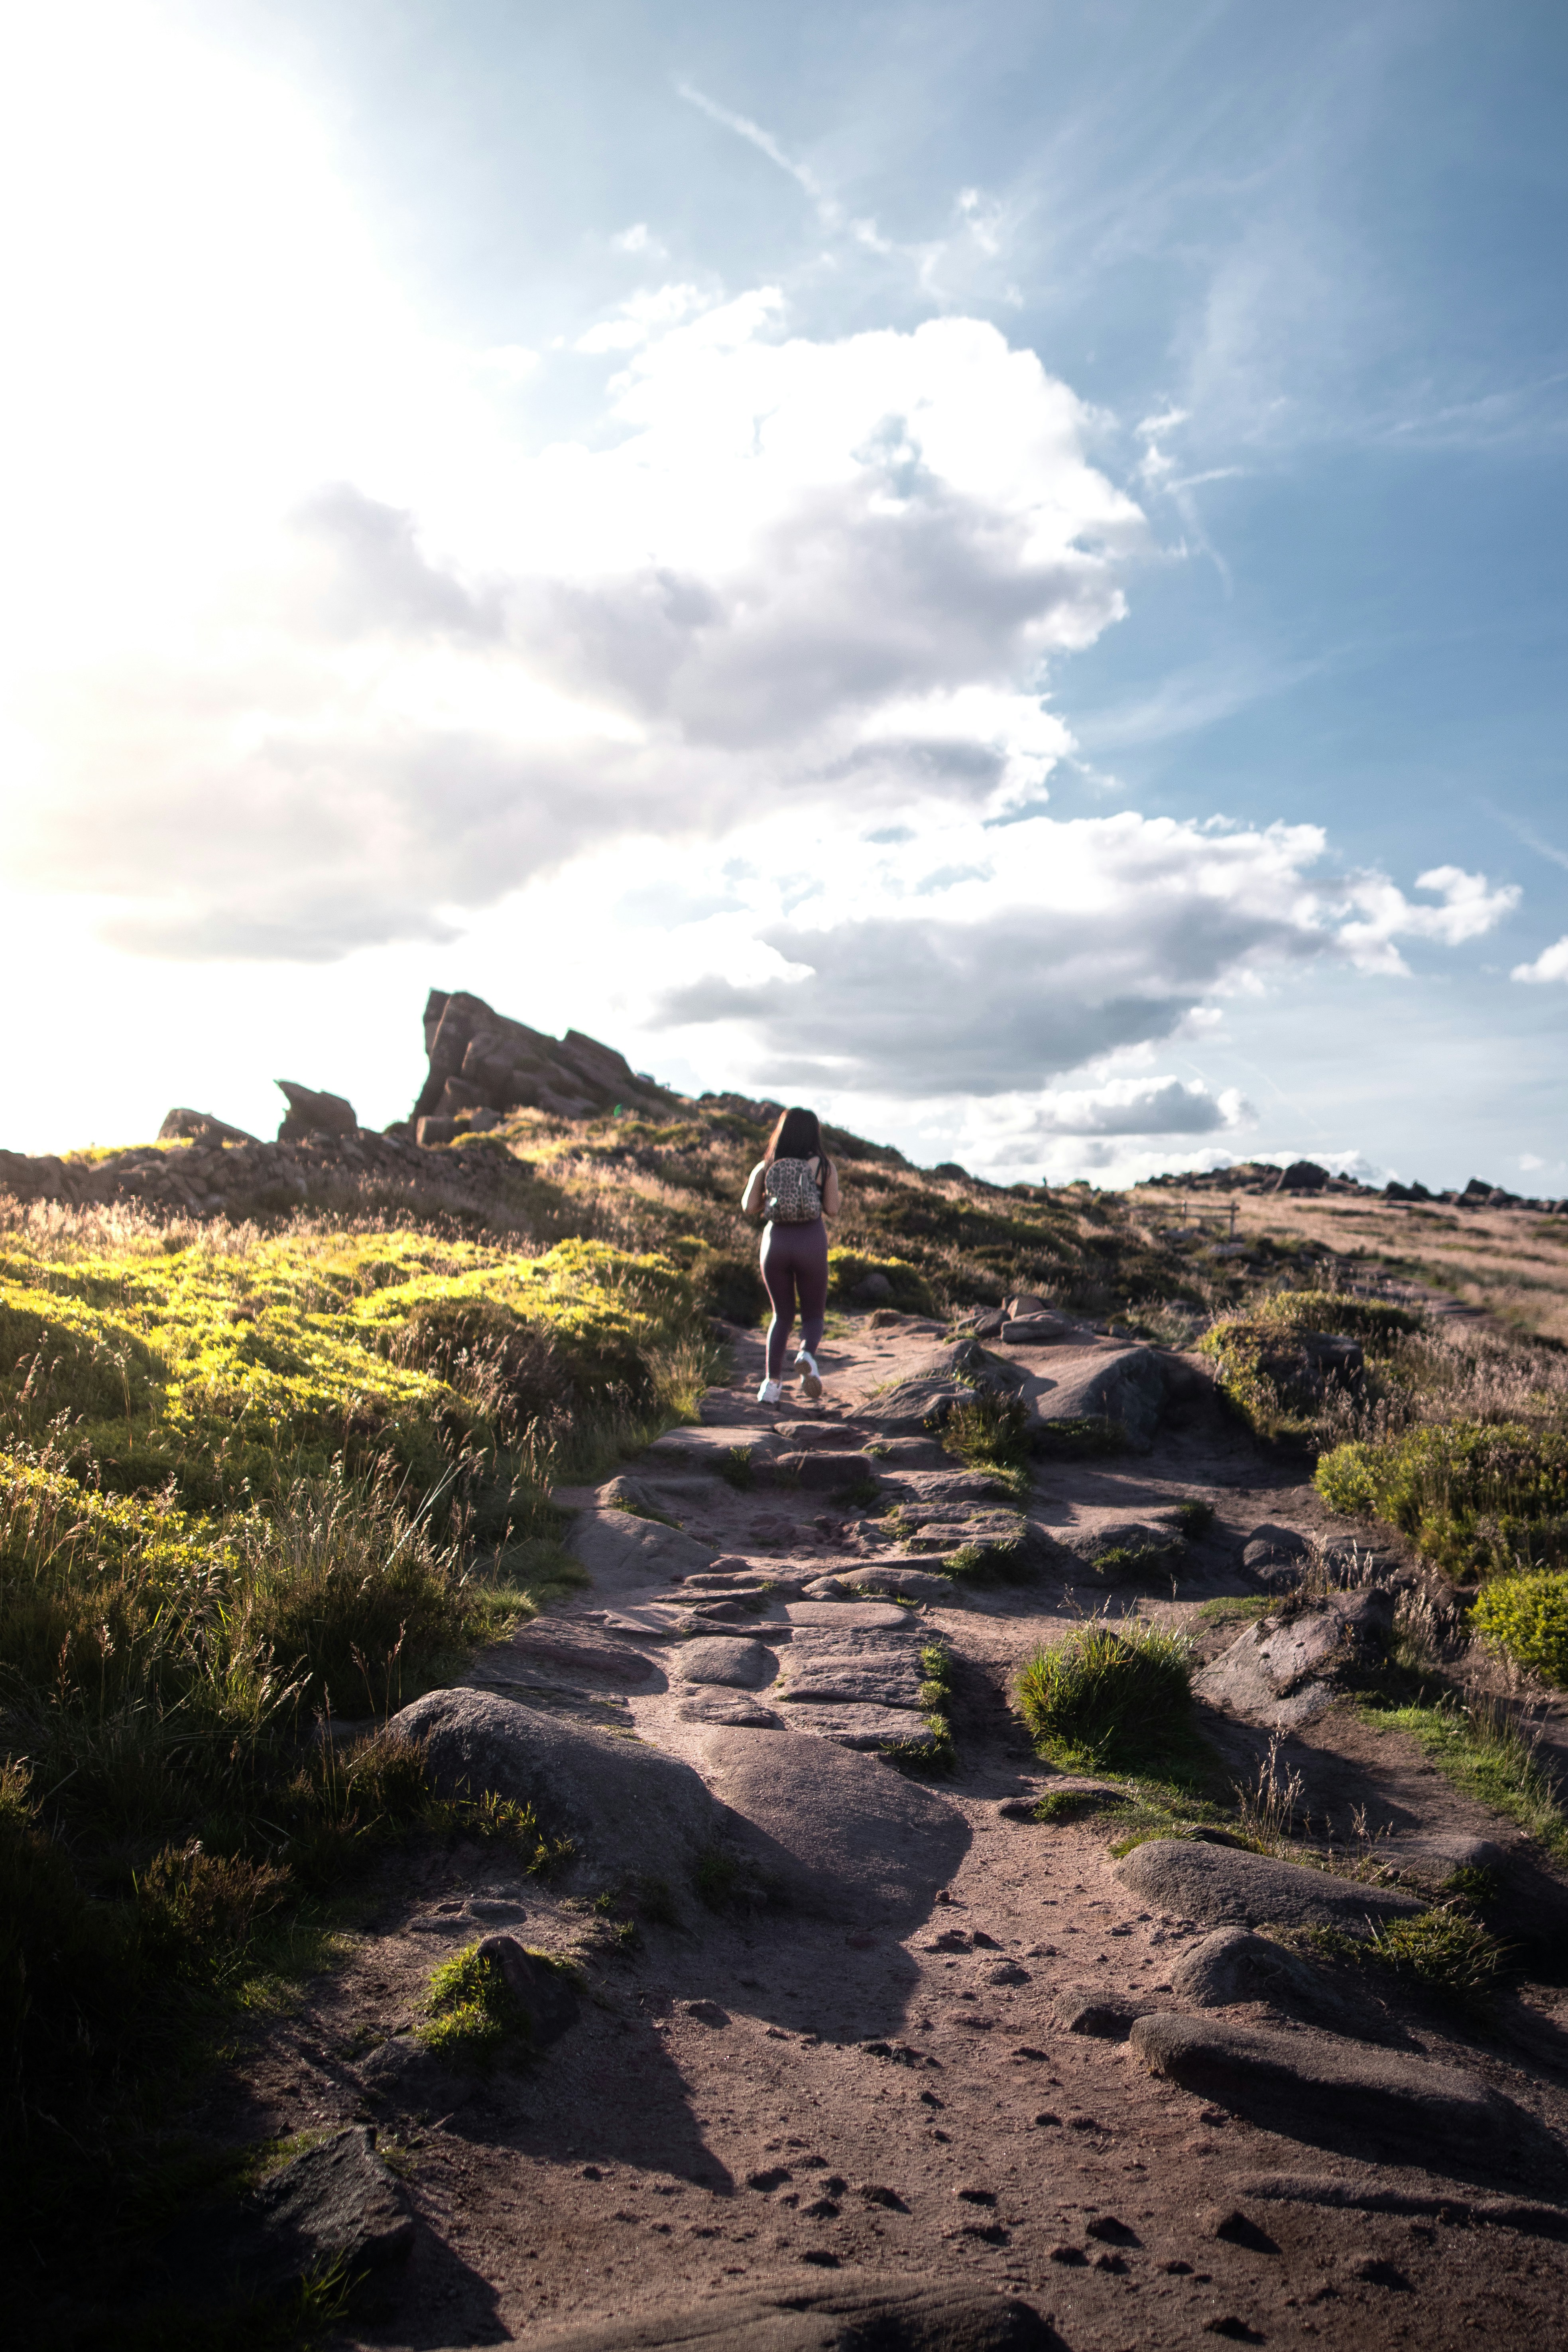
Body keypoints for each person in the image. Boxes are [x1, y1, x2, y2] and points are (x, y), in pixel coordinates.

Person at [740, 1106, 841, 1405]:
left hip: (776, 1242)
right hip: (811, 1241)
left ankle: (771, 1386)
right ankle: (806, 1354)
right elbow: (833, 1210)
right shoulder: (824, 1166)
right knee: (813, 1313)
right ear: (814, 1133)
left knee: (781, 1315)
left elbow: (748, 1207)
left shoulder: (767, 1165)